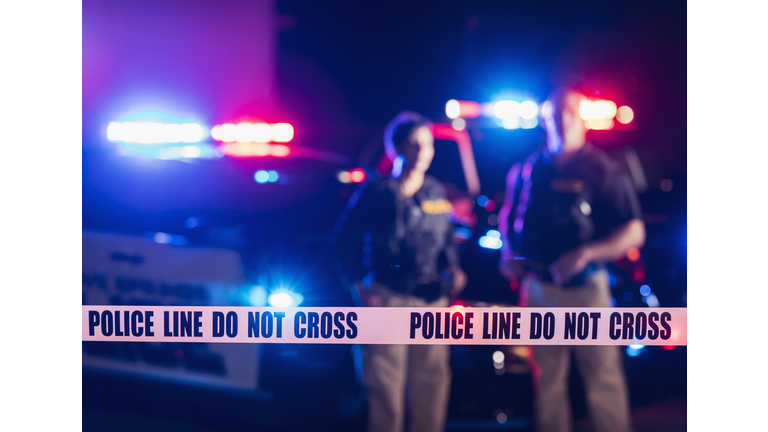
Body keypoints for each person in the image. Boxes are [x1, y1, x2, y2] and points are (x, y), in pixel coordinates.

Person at [498, 87, 644, 432]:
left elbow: (634, 231)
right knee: (546, 381)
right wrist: (509, 255)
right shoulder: (527, 170)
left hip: (586, 291)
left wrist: (586, 253)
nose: (561, 119)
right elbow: (507, 219)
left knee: (602, 379)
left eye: (568, 112)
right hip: (538, 291)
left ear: (582, 119)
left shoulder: (603, 171)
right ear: (544, 119)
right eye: (554, 113)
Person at [333, 111, 467, 432]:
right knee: (385, 392)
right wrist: (359, 287)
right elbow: (341, 242)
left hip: (430, 303)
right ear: (396, 148)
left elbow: (447, 239)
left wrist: (455, 269)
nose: (422, 152)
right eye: (413, 144)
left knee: (431, 388)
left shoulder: (435, 192)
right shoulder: (376, 192)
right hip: (388, 299)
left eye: (428, 144)